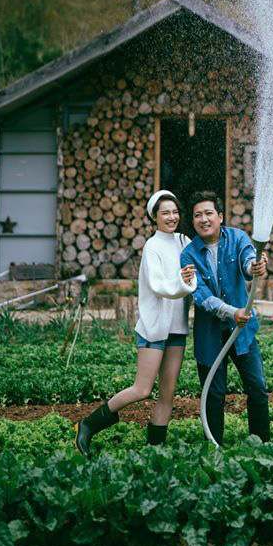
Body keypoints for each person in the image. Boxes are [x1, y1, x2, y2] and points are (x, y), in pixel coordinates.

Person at [74, 190, 197, 455]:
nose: (172, 217)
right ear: (154, 217)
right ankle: (88, 424)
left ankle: (155, 450)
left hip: (177, 329)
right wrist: (184, 282)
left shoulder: (185, 241)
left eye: (175, 212)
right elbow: (159, 286)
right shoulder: (152, 246)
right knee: (142, 389)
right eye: (165, 213)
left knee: (168, 392)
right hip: (155, 328)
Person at [180, 190, 270, 446]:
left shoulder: (238, 238)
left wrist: (255, 267)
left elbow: (247, 261)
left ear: (220, 216)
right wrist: (233, 312)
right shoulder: (188, 255)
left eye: (209, 213)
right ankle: (214, 446)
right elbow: (202, 296)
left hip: (242, 332)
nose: (203, 219)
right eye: (198, 215)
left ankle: (261, 445)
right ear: (194, 221)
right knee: (214, 394)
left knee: (257, 388)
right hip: (210, 334)